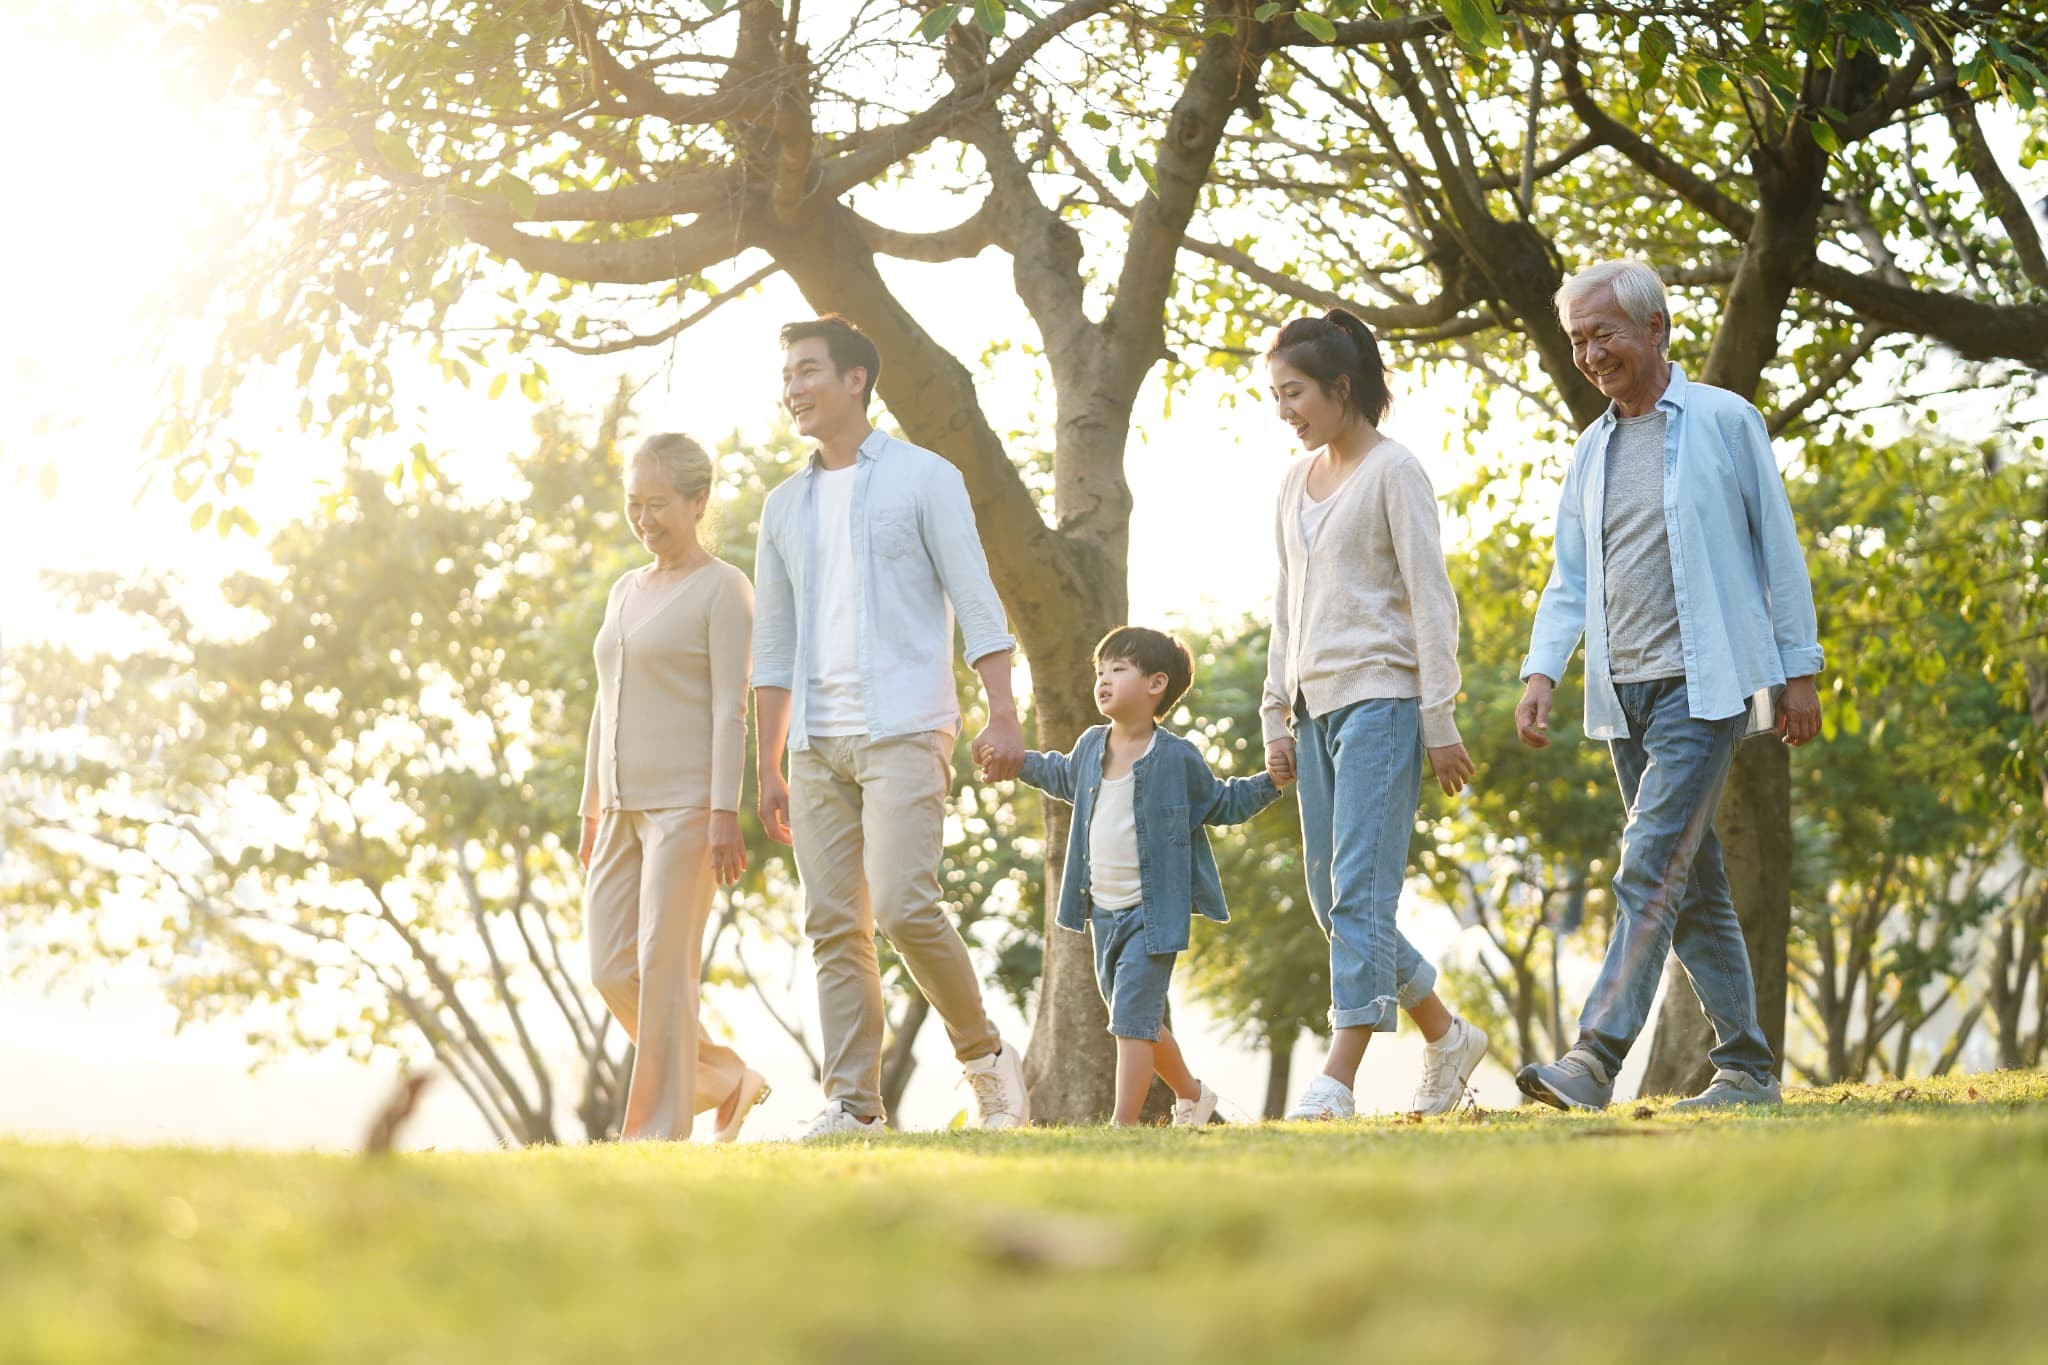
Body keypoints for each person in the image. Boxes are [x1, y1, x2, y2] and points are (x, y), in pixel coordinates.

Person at [1513, 260, 1824, 1113]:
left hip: (1704, 685)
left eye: (1602, 333)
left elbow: (1778, 552)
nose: (1589, 353)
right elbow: (1569, 577)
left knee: (1648, 865)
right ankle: (1750, 1070)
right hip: (1623, 696)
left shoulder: (1727, 421)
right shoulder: (1591, 449)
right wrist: (1545, 669)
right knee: (1693, 885)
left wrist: (1801, 672)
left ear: (1656, 329)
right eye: (1578, 339)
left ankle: (1593, 1058)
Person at [751, 314, 1031, 1137]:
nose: (794, 388)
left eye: (808, 370)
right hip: (814, 745)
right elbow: (773, 643)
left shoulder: (924, 477)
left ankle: (984, 1058)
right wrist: (767, 763)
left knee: (906, 905)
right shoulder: (781, 506)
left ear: (854, 380)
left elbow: (976, 597)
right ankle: (857, 1104)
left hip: (905, 724)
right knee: (834, 924)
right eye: (787, 375)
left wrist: (1002, 707)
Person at [1261, 308, 1492, 1121]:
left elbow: (1433, 600)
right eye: (1276, 396)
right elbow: (1288, 604)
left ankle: (1337, 1079)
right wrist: (1274, 715)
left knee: (1359, 893)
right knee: (1333, 902)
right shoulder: (1295, 482)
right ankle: (1447, 1032)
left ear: (1341, 386)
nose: (1285, 409)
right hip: (1315, 707)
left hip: (1384, 703)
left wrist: (1439, 716)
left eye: (1294, 393)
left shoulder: (1396, 472)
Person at [999, 626, 1287, 1127]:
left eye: (1118, 669)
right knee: (1138, 1020)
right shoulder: (1091, 746)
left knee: (1131, 1018)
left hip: (1153, 915)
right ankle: (1194, 1097)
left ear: (1156, 684)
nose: (1104, 680)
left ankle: (1122, 1124)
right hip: (1102, 912)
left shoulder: (1176, 758)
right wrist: (1015, 762)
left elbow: (1223, 803)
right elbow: (1058, 774)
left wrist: (1272, 781)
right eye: (1100, 671)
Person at [579, 433, 770, 1142]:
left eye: (658, 503)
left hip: (689, 806)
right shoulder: (624, 588)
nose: (644, 517)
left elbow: (731, 707)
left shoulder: (725, 589)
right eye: (634, 503)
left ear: (698, 500)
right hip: (620, 805)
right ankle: (724, 1078)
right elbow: (606, 699)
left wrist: (726, 809)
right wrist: (590, 805)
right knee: (607, 965)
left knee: (664, 967)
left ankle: (654, 1132)